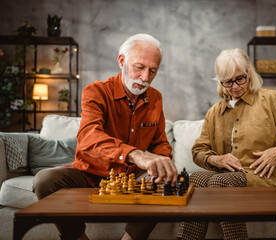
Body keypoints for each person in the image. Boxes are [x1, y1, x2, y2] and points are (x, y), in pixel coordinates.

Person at [33, 33, 178, 240]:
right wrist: (135, 154)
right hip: (89, 173)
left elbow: (160, 143)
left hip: (131, 177)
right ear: (122, 61)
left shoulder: (155, 98)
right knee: (45, 180)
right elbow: (89, 137)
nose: (145, 78)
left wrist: (160, 162)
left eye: (152, 71)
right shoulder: (95, 91)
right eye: (139, 67)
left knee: (167, 181)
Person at [177, 48, 276, 240]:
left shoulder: (270, 99)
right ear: (220, 81)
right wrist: (216, 159)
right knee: (193, 180)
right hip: (232, 175)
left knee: (219, 182)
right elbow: (198, 151)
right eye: (228, 82)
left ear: (249, 73)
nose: (235, 86)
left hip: (265, 175)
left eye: (240, 78)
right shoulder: (214, 112)